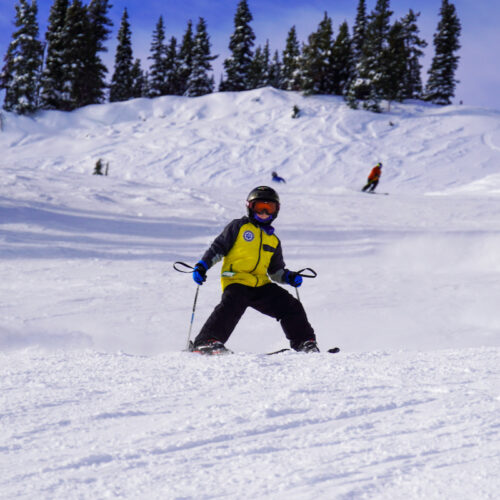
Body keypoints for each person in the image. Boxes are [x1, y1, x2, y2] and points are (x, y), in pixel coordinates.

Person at [190, 186, 319, 355]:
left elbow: (275, 271)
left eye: (269, 208)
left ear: (276, 211)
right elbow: (218, 248)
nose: (264, 212)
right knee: (233, 302)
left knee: (291, 306)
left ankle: (305, 343)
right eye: (259, 208)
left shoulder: (273, 240)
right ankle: (206, 341)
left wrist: (288, 277)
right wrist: (203, 265)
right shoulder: (239, 227)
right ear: (250, 208)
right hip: (236, 280)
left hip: (260, 284)